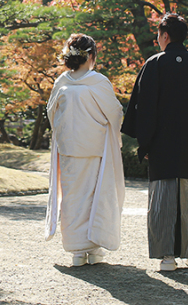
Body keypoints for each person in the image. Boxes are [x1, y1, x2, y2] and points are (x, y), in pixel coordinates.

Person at [121, 13, 188, 272]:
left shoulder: (154, 64)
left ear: (165, 35)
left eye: (158, 35)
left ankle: (167, 257)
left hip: (161, 145)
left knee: (162, 201)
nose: (157, 39)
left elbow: (144, 108)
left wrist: (145, 143)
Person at [45, 33, 126, 267]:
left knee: (72, 197)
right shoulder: (98, 81)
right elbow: (115, 113)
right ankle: (93, 246)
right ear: (90, 56)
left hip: (69, 148)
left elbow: (51, 113)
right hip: (95, 146)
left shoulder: (62, 81)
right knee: (95, 196)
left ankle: (77, 250)